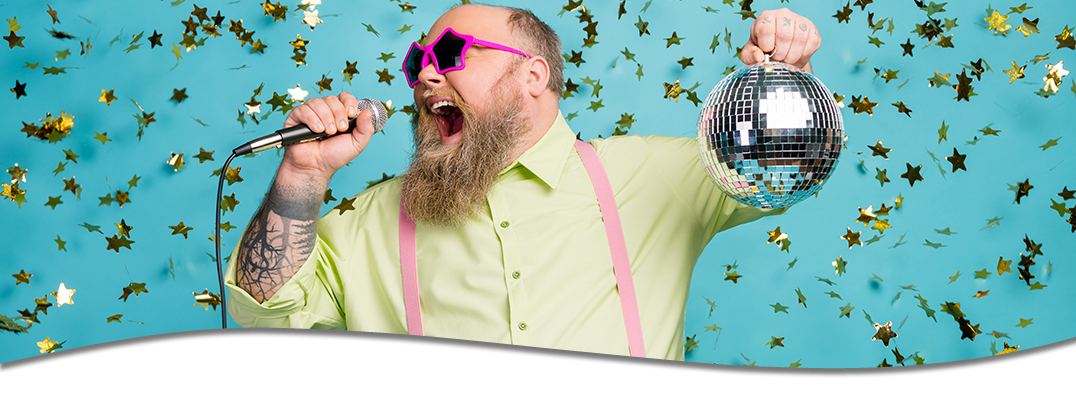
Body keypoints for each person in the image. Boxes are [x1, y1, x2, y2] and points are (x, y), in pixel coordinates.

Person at [224, 4, 821, 361]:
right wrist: (302, 174)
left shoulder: (655, 174)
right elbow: (263, 310)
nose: (424, 75)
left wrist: (783, 78)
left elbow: (786, 161)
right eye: (416, 62)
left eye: (451, 53)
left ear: (533, 74)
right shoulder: (368, 221)